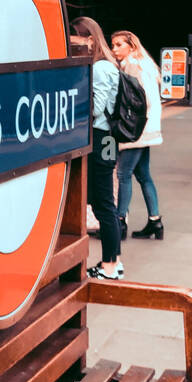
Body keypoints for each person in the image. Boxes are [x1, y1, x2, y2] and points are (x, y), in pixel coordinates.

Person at [72, 16, 122, 279]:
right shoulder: (107, 65)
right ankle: (115, 262)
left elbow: (95, 108)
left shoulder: (101, 68)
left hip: (103, 139)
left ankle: (109, 267)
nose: (73, 47)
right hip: (106, 139)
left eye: (76, 41)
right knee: (104, 203)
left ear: (90, 39)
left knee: (104, 205)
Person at [110, 30, 163, 239]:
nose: (114, 50)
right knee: (143, 175)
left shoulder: (133, 66)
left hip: (136, 129)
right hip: (147, 127)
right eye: (113, 45)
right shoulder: (145, 64)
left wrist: (126, 123)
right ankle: (155, 221)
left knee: (123, 174)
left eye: (119, 45)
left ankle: (120, 222)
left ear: (131, 46)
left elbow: (137, 101)